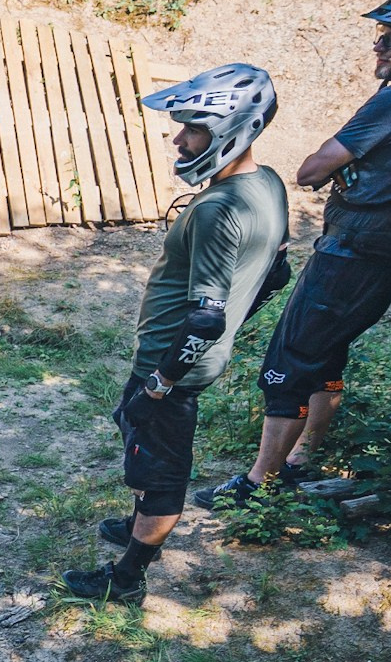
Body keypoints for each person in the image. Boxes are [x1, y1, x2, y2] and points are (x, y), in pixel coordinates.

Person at [193, 0, 391, 512]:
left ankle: (259, 483)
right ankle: (302, 457)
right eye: (380, 37)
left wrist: (338, 172)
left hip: (354, 246)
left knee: (289, 359)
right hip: (380, 239)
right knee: (326, 354)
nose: (381, 47)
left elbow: (312, 168)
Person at [63, 65, 291, 603]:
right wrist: (232, 323)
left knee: (159, 472)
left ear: (234, 131)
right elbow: (276, 272)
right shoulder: (267, 185)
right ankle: (142, 519)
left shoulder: (218, 209)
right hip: (186, 360)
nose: (179, 139)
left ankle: (127, 578)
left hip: (172, 364)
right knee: (140, 443)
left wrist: (160, 385)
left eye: (194, 129)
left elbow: (206, 317)